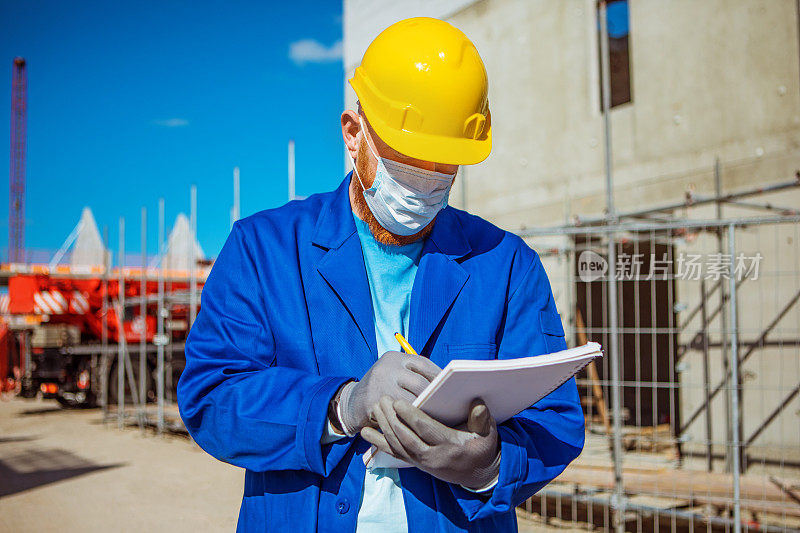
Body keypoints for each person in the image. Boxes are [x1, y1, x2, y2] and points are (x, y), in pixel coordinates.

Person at [177, 17, 584, 533]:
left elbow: (556, 421)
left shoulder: (506, 266)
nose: (424, 188)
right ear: (354, 135)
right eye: (407, 165)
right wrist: (340, 405)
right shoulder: (263, 250)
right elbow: (212, 398)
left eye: (444, 169)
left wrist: (489, 467)